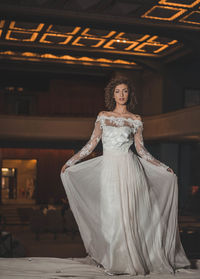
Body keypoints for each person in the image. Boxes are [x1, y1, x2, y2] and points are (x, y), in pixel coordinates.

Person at [60, 77, 190, 276]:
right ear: (112, 94)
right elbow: (91, 144)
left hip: (130, 169)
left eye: (125, 91)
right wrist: (71, 161)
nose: (121, 95)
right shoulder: (103, 116)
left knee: (131, 214)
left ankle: (131, 261)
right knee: (111, 215)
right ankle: (114, 260)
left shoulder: (136, 119)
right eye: (118, 91)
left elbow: (141, 149)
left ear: (130, 95)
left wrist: (163, 166)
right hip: (109, 170)